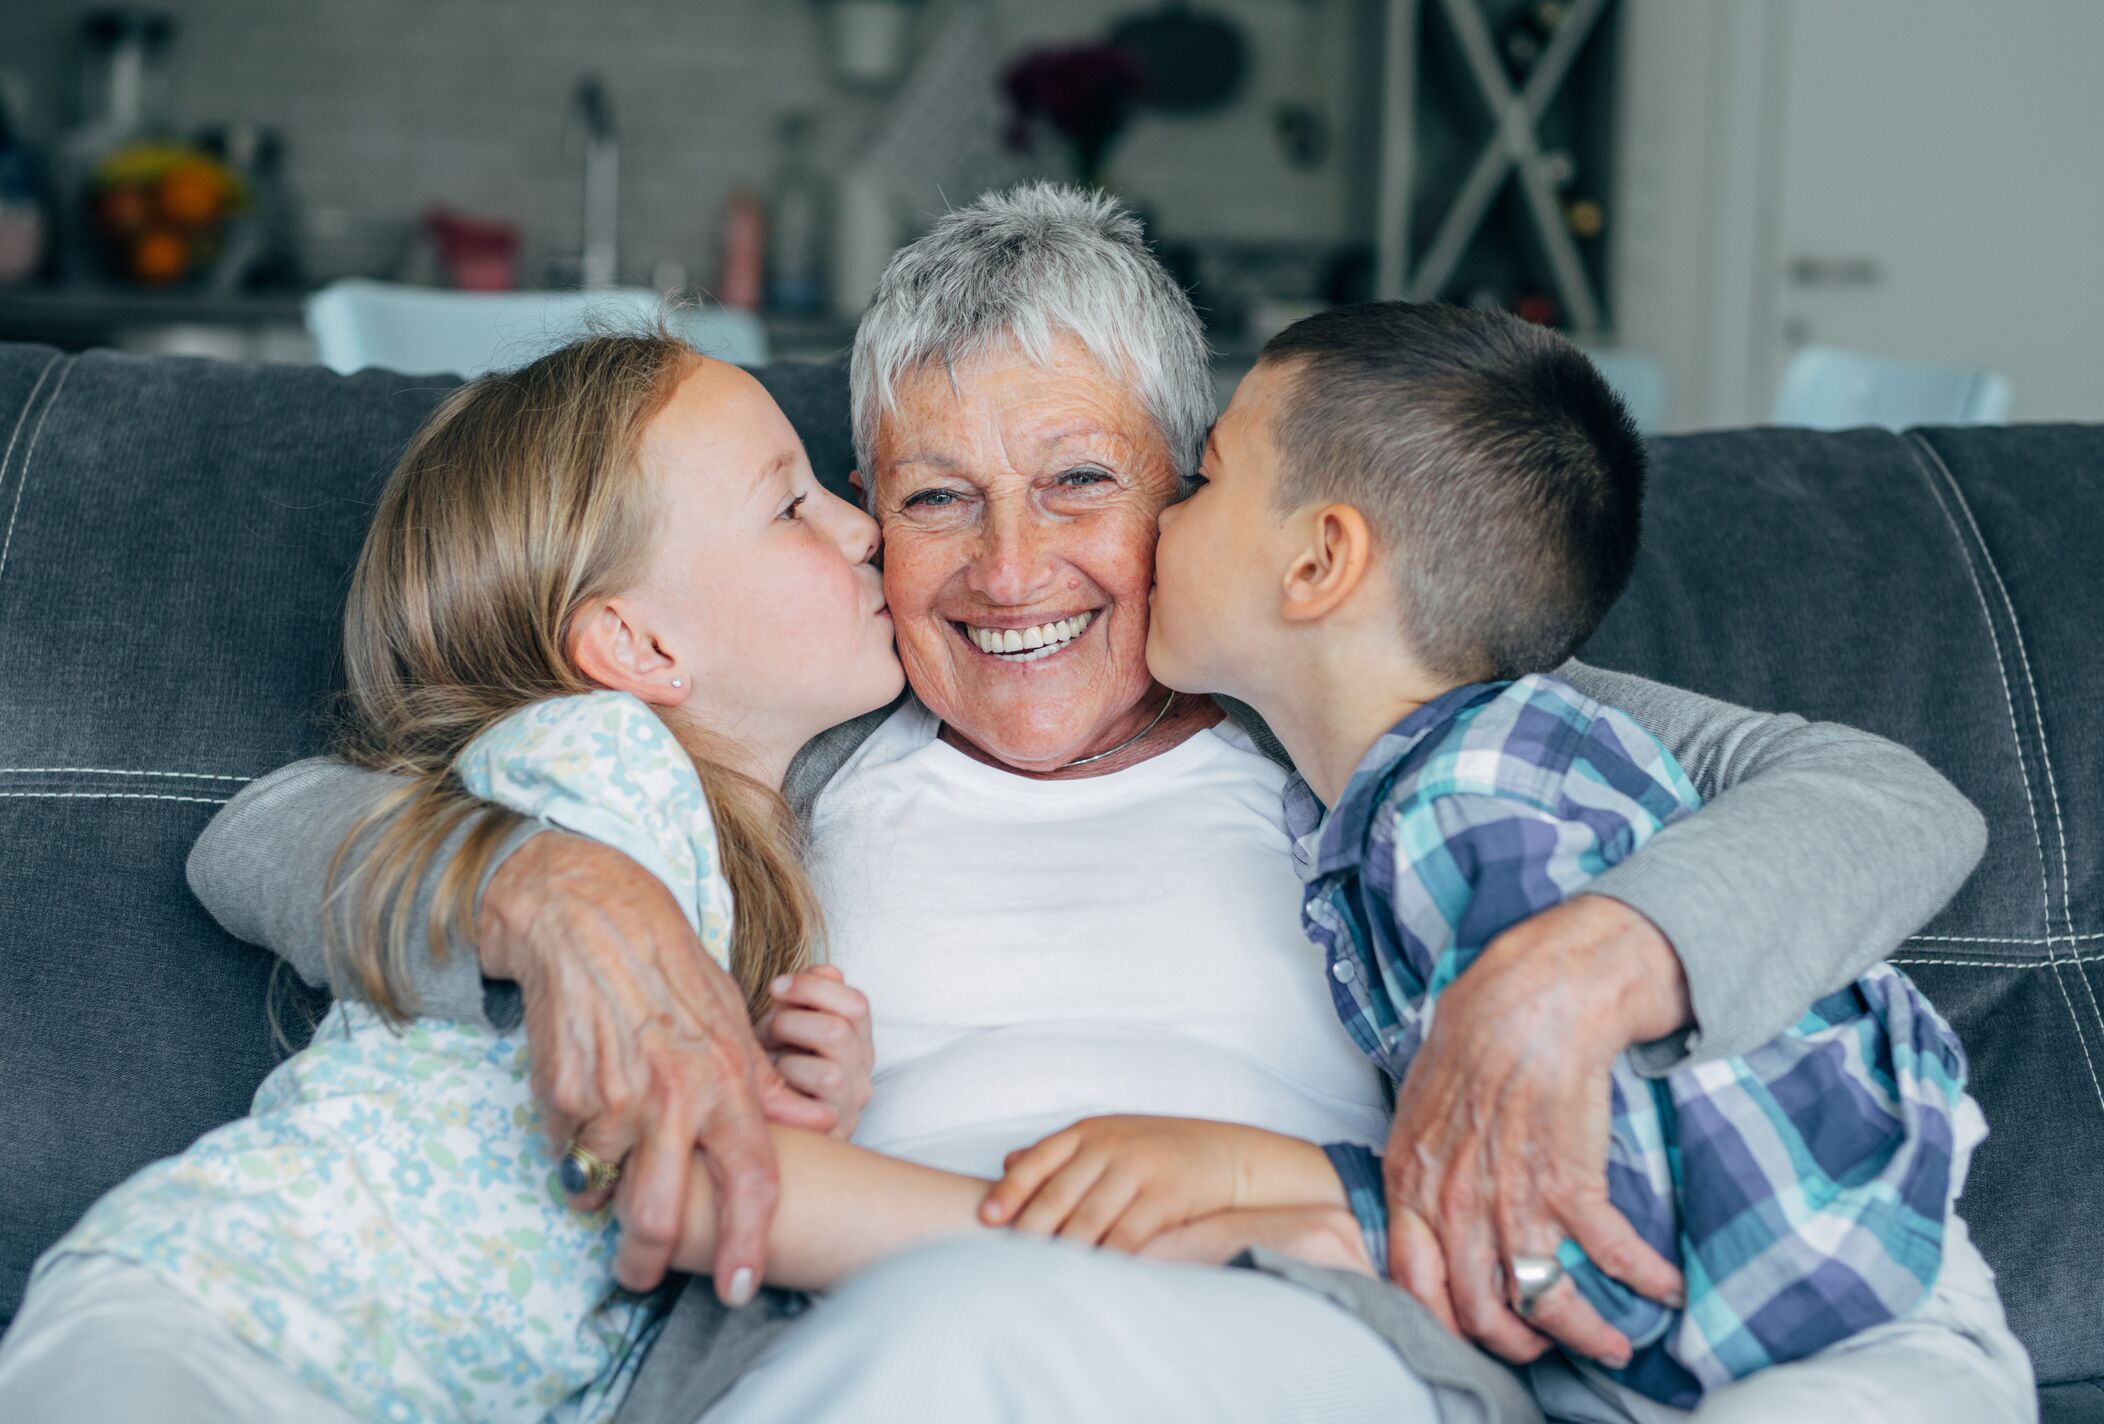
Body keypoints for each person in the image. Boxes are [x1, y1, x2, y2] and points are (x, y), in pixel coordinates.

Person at [180, 185, 2028, 1423]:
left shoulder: (1363, 718)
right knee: (943, 1338)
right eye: (929, 499)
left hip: (1308, 1335)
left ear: (1208, 496)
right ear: (858, 527)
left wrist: (1568, 969)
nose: (1008, 567)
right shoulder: (797, 738)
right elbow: (267, 822)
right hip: (859, 1327)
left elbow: (1878, 794)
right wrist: (563, 890)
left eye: (1078, 478)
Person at [986, 301, 2005, 1413]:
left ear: (1321, 558)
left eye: (1203, 481)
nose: (1156, 525)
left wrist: (1271, 1186)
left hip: (1827, 1326)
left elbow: (1588, 1218)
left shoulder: (1465, 801)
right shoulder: (1432, 774)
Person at [0, 335, 903, 1422]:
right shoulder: (596, 760)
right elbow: (273, 836)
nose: (864, 527)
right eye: (790, 505)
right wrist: (531, 880)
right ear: (633, 643)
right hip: (233, 1316)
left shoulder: (730, 870)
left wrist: (792, 1101)